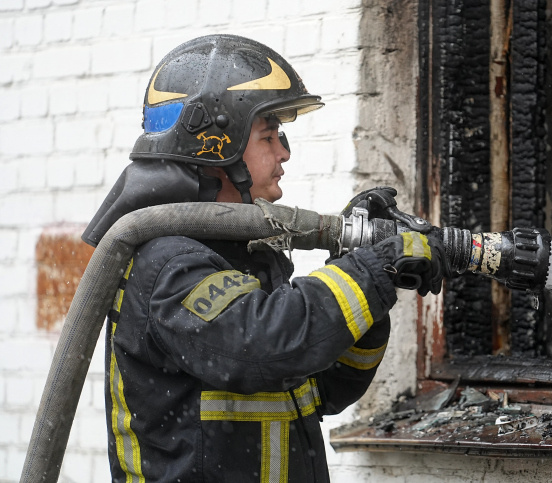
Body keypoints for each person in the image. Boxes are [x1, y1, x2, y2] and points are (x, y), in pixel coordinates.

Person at [82, 34, 446, 482]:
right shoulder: (168, 263)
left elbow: (324, 387)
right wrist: (372, 270)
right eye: (269, 136)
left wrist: (366, 279)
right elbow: (266, 346)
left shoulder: (242, 257)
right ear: (219, 145)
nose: (284, 153)